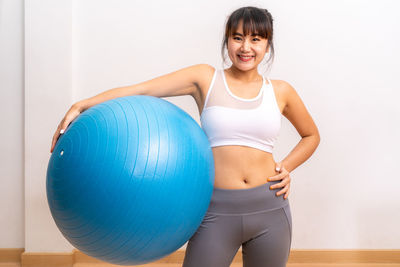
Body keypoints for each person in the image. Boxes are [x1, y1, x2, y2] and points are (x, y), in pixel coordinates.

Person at [50, 6, 320, 267]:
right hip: (215, 209)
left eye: (255, 39)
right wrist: (83, 104)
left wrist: (286, 167)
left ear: (267, 44)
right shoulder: (206, 78)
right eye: (237, 38)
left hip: (269, 207)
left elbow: (311, 135)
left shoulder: (281, 91)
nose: (245, 47)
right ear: (227, 41)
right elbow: (142, 90)